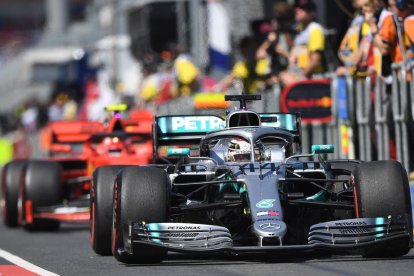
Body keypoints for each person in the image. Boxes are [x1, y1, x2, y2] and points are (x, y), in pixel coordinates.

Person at [279, 0, 326, 86]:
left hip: (312, 80)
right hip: (301, 80)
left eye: (303, 8)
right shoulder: (300, 30)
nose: (297, 10)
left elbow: (315, 60)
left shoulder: (314, 29)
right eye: (296, 7)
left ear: (312, 12)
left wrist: (299, 78)